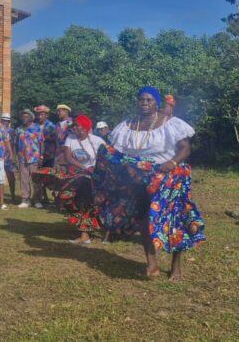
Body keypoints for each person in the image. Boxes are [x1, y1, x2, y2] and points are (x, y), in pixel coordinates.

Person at [94, 86, 205, 280]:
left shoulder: (171, 123)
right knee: (146, 221)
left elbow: (185, 148)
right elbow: (118, 151)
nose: (144, 103)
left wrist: (171, 163)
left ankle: (176, 267)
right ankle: (151, 264)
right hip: (139, 179)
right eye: (141, 100)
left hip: (170, 177)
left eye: (149, 100)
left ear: (156, 103)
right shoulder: (127, 125)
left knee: (174, 222)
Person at [59, 115, 105, 244]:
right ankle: (84, 233)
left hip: (95, 177)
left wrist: (94, 169)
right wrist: (84, 168)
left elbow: (106, 159)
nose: (74, 128)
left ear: (85, 128)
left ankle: (88, 234)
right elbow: (68, 157)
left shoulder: (98, 141)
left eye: (77, 125)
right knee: (75, 201)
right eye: (73, 125)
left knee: (90, 202)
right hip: (78, 175)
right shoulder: (70, 139)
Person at [15, 109, 44, 209]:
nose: (24, 118)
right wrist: (15, 156)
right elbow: (15, 144)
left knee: (36, 180)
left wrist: (41, 156)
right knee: (24, 180)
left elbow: (41, 142)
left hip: (34, 158)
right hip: (22, 158)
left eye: (26, 117)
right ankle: (25, 200)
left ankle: (37, 200)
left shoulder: (37, 128)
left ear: (31, 118)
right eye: (23, 117)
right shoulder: (19, 129)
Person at [33, 105, 55, 207]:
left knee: (48, 177)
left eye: (42, 114)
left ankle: (50, 197)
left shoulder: (51, 126)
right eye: (38, 114)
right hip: (36, 154)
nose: (40, 116)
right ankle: (41, 197)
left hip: (48, 155)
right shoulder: (35, 126)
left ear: (46, 115)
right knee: (38, 177)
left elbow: (55, 140)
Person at [0, 113, 18, 204]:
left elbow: (14, 145)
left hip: (8, 157)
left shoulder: (12, 131)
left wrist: (13, 156)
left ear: (9, 122)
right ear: (1, 121)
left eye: (7, 121)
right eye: (3, 121)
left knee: (11, 177)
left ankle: (13, 196)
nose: (5, 122)